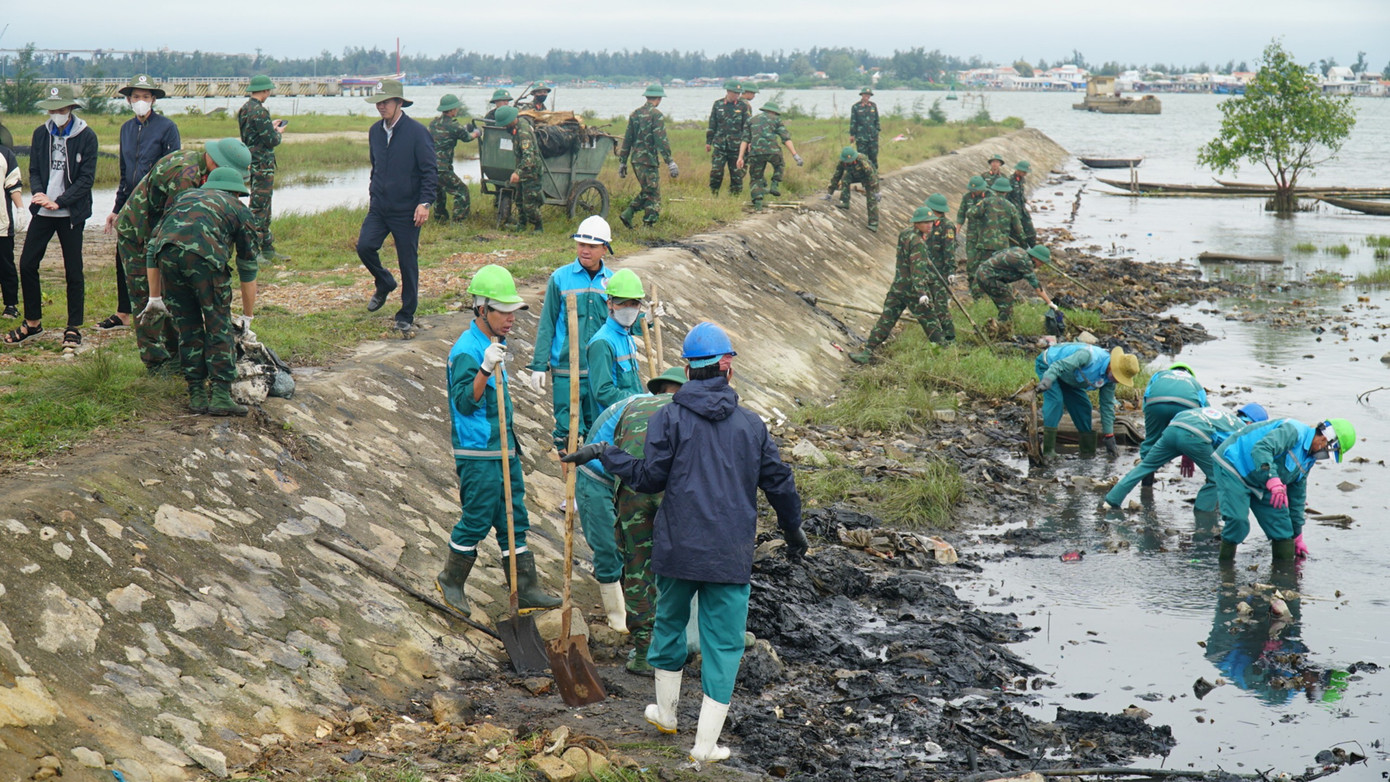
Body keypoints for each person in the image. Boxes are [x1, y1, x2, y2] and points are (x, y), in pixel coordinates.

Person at [562, 322, 806, 764]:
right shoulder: (751, 426)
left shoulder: (667, 417)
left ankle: (667, 715)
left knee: (668, 627)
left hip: (675, 551)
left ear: (689, 370)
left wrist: (603, 451)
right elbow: (780, 484)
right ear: (726, 366)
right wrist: (793, 531)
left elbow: (647, 477)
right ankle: (705, 746)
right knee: (724, 644)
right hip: (728, 558)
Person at [435, 265, 562, 615]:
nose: (510, 319)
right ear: (481, 309)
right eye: (503, 312)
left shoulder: (494, 342)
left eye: (513, 313)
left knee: (513, 518)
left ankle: (525, 587)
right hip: (478, 452)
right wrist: (485, 369)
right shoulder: (468, 350)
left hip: (504, 448)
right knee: (477, 518)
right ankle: (451, 580)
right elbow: (464, 401)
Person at [116, 139, 252, 375]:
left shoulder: (204, 172)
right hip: (140, 234)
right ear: (213, 160)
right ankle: (156, 362)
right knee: (148, 297)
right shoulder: (185, 175)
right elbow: (179, 225)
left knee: (172, 294)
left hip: (163, 233)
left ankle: (177, 355)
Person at [575, 366, 687, 645]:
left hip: (629, 476)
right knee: (608, 547)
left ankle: (643, 614)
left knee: (638, 550)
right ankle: (616, 615)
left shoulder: (668, 412)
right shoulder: (646, 409)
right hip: (597, 475)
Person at [141, 167, 259, 416]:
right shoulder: (239, 209)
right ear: (236, 192)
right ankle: (220, 395)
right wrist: (247, 317)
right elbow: (248, 267)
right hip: (205, 260)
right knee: (218, 325)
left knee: (188, 326)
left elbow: (153, 248)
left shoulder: (183, 198)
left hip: (168, 257)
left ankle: (196, 393)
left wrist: (155, 297)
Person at [5, 85, 98, 348]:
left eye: (61, 109)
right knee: (27, 263)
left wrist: (60, 201)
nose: (56, 113)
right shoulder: (41, 134)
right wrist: (40, 195)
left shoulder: (87, 136)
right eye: (53, 109)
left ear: (70, 109)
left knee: (73, 269)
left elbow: (86, 179)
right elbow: (34, 169)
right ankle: (33, 322)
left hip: (71, 212)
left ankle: (73, 327)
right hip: (43, 210)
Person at [609, 367, 687, 673]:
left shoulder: (632, 406)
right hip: (669, 491)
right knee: (679, 567)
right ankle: (675, 647)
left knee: (638, 568)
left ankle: (643, 653)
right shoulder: (685, 410)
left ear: (658, 389)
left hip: (632, 492)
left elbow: (618, 448)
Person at [99, 73, 181, 331]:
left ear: (153, 100)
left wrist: (170, 208)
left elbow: (173, 169)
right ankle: (124, 312)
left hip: (155, 205)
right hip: (129, 205)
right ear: (128, 101)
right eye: (136, 97)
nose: (141, 101)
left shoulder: (167, 128)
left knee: (156, 256)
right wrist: (116, 209)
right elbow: (125, 173)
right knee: (122, 256)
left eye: (146, 97)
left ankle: (161, 307)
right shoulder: (125, 129)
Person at [527, 216, 615, 453]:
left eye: (592, 246)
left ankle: (589, 486)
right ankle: (571, 488)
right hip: (566, 370)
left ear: (604, 248)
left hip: (600, 372)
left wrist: (645, 320)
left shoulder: (613, 282)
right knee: (566, 435)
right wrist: (538, 365)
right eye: (581, 244)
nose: (585, 250)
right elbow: (547, 323)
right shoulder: (560, 278)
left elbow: (624, 323)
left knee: (598, 433)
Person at [358, 79, 437, 335]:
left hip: (407, 210)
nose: (381, 107)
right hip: (380, 207)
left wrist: (424, 203)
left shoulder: (417, 132)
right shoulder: (375, 131)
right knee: (365, 246)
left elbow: (430, 172)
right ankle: (384, 282)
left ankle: (406, 314)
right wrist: (374, 193)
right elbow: (376, 166)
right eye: (378, 103)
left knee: (407, 261)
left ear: (399, 102)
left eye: (386, 102)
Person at [1213, 417, 1355, 561]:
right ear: (1325, 439)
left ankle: (1285, 578)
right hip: (1234, 465)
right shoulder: (1294, 431)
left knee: (1283, 530)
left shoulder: (1308, 461)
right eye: (1328, 451)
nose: (1324, 455)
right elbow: (1262, 449)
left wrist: (1297, 535)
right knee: (1238, 522)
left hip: (1263, 479)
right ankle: (1225, 570)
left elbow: (1297, 497)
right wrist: (1272, 479)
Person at [1104, 403, 1269, 512]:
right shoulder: (1243, 430)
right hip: (1194, 436)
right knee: (1215, 478)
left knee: (1146, 466)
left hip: (1174, 428)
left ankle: (1111, 501)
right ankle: (1202, 515)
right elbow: (1234, 462)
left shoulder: (1222, 416)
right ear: (1252, 423)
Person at [849, 205, 944, 364]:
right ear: (917, 223)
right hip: (913, 291)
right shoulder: (918, 243)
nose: (930, 225)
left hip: (898, 288)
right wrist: (922, 293)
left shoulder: (905, 234)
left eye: (931, 222)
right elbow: (917, 271)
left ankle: (868, 351)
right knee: (930, 321)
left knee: (886, 320)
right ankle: (944, 354)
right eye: (925, 222)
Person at [1035, 343, 1141, 458]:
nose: (1117, 380)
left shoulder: (1110, 381)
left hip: (1070, 378)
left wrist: (1109, 436)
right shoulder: (1088, 356)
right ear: (1111, 365)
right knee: (1056, 402)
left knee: (1084, 407)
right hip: (1049, 366)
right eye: (1118, 376)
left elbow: (1107, 406)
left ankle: (1087, 452)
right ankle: (1048, 452)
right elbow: (1058, 366)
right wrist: (1047, 380)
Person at [585, 268, 648, 423]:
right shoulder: (602, 342)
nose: (628, 309)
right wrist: (639, 400)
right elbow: (603, 391)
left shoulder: (626, 337)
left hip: (631, 420)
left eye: (633, 304)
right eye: (622, 304)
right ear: (610, 303)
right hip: (613, 426)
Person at [237, 75, 288, 262]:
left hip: (251, 161)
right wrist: (278, 132)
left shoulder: (244, 109)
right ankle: (253, 251)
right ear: (265, 91)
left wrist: (270, 126)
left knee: (264, 206)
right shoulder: (260, 111)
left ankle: (267, 247)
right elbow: (271, 141)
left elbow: (250, 134)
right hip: (263, 164)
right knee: (260, 208)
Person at [618, 85, 678, 229]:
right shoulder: (656, 115)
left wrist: (623, 161)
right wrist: (669, 161)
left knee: (649, 190)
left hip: (636, 160)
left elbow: (627, 139)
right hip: (649, 160)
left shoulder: (635, 114)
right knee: (653, 193)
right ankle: (643, 222)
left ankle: (635, 216)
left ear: (647, 97)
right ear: (659, 99)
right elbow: (661, 140)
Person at [975, 244, 1057, 335]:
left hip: (982, 272)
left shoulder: (1019, 250)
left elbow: (996, 253)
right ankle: (1003, 328)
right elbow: (1037, 287)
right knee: (1007, 300)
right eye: (1042, 263)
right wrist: (1050, 303)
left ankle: (1001, 324)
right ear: (1035, 258)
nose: (1041, 265)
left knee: (1009, 295)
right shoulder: (1025, 262)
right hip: (988, 277)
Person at [965, 178, 1026, 297]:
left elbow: (970, 213)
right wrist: (1024, 245)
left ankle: (978, 297)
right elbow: (1019, 230)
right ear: (1006, 192)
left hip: (985, 245)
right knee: (1001, 272)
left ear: (995, 190)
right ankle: (1004, 295)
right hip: (1002, 246)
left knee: (981, 270)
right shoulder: (1010, 206)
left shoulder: (985, 202)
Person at [1138, 363, 1208, 463]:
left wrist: (1153, 422)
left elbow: (1146, 397)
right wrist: (1189, 448)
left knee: (1151, 441)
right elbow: (1205, 414)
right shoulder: (1195, 382)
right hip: (1187, 406)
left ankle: (1146, 475)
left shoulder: (1159, 374)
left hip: (1156, 403)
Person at [739, 101, 803, 210]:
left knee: (756, 178)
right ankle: (774, 184)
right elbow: (786, 139)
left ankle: (758, 205)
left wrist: (740, 157)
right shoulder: (776, 120)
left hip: (755, 153)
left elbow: (745, 140)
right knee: (780, 165)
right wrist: (795, 155)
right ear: (774, 112)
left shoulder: (750, 120)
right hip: (773, 152)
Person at [428, 94, 479, 223]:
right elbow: (467, 137)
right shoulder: (454, 125)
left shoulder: (433, 123)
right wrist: (477, 133)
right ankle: (458, 221)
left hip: (429, 166)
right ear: (452, 110)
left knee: (439, 191)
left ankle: (440, 218)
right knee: (461, 191)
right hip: (443, 167)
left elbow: (449, 132)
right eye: (456, 108)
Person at [493, 106, 543, 232]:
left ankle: (538, 227)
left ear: (510, 121)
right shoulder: (516, 128)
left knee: (529, 204)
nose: (504, 127)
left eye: (505, 124)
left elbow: (529, 157)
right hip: (523, 172)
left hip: (531, 172)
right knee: (519, 200)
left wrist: (518, 172)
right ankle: (522, 225)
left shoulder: (523, 133)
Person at [706, 82, 751, 196]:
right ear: (728, 92)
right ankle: (713, 194)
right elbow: (712, 124)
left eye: (739, 93)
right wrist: (708, 141)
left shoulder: (743, 106)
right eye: (735, 93)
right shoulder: (718, 104)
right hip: (720, 145)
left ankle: (734, 197)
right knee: (716, 172)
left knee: (737, 174)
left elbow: (748, 126)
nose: (737, 95)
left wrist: (749, 142)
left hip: (737, 147)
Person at [827, 146, 879, 232]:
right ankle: (845, 202)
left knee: (871, 199)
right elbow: (836, 176)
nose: (848, 163)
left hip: (868, 178)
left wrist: (876, 191)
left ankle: (873, 223)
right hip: (854, 175)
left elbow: (872, 176)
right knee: (845, 178)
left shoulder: (862, 161)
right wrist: (830, 192)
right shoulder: (842, 163)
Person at [0, 139, 22, 320]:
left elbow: (13, 185)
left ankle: (11, 305)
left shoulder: (6, 154)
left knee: (6, 264)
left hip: (1, 223)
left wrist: (20, 208)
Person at [956, 175, 988, 286]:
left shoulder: (989, 196)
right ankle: (972, 284)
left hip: (986, 234)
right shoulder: (967, 198)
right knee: (971, 260)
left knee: (985, 260)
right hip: (972, 233)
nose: (974, 192)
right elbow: (961, 215)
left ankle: (984, 284)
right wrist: (957, 232)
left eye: (976, 190)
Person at [1006, 160, 1037, 247]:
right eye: (1024, 172)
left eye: (1026, 172)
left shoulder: (1021, 180)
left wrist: (1029, 202)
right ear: (1018, 170)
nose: (1025, 174)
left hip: (1022, 211)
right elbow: (1006, 198)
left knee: (1031, 233)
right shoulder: (1010, 181)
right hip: (1014, 212)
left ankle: (1034, 251)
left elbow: (1020, 195)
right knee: (1017, 235)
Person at [849, 87, 881, 169]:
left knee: (873, 155)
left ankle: (874, 175)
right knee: (862, 157)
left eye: (869, 95)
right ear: (862, 95)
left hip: (873, 136)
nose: (867, 96)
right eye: (865, 94)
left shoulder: (873, 106)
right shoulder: (856, 107)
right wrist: (852, 134)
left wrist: (877, 131)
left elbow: (877, 119)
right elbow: (853, 121)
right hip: (861, 136)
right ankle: (864, 175)